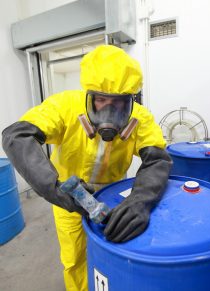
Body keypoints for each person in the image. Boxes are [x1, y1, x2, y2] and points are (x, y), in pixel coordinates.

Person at [2, 45, 172, 291]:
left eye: (119, 103)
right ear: (89, 94)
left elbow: (157, 159)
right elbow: (16, 136)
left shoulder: (140, 118)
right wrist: (55, 189)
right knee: (75, 259)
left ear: (131, 99)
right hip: (69, 196)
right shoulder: (66, 106)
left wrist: (140, 201)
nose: (108, 110)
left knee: (116, 250)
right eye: (101, 99)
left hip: (115, 197)